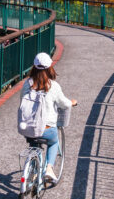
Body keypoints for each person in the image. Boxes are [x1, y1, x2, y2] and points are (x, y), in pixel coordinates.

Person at [23, 52, 77, 182]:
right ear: (50, 67)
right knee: (53, 142)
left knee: (33, 141)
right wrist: (72, 102)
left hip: (28, 128)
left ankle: (33, 169)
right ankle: (49, 168)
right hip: (47, 129)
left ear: (34, 66)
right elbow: (64, 104)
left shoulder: (27, 84)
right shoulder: (53, 86)